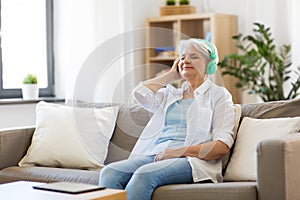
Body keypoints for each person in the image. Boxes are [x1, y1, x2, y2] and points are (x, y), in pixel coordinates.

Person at [99, 38, 236, 200]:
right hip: (156, 155)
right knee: (110, 172)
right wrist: (171, 75)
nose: (186, 60)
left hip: (191, 160)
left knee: (144, 174)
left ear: (210, 64)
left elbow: (221, 146)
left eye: (194, 56)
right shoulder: (170, 94)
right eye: (183, 57)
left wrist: (179, 152)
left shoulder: (219, 95)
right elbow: (139, 93)